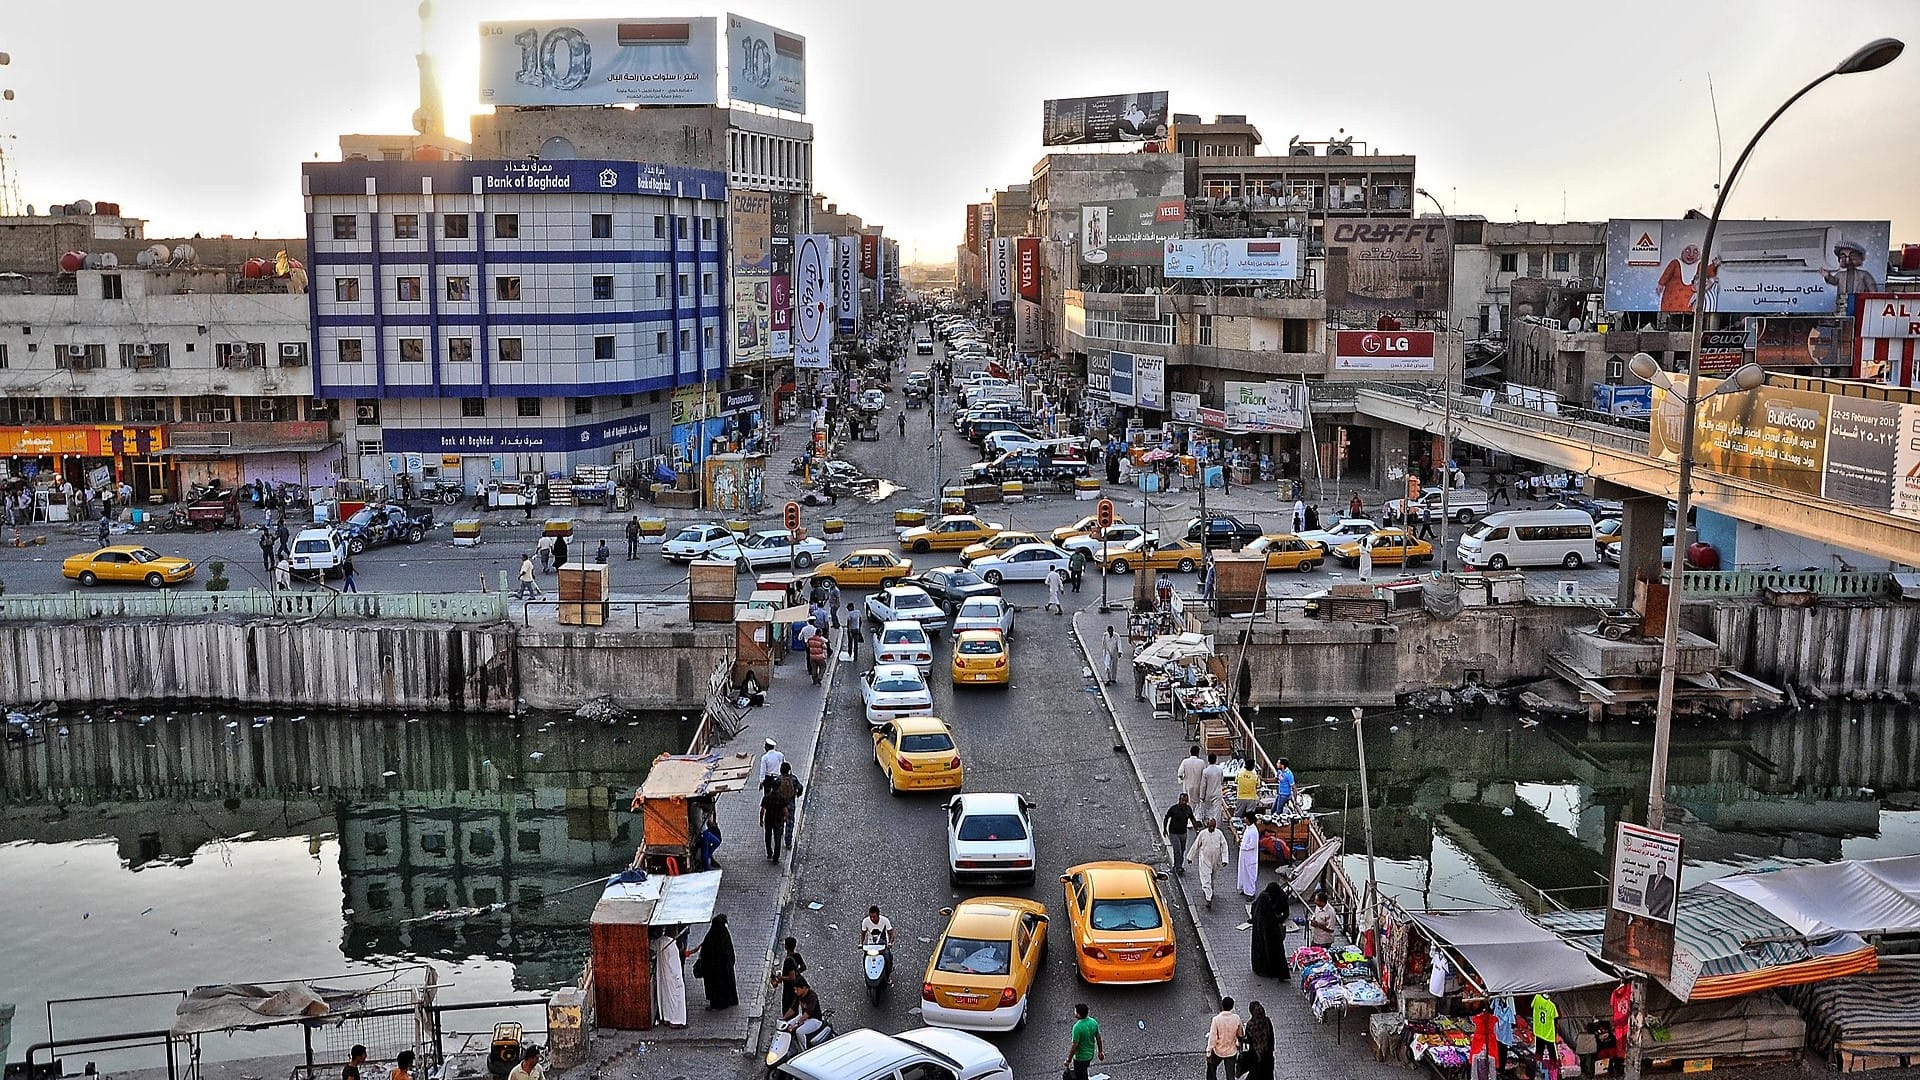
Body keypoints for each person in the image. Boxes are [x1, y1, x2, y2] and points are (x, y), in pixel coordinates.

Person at [690, 913, 739, 1010]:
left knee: (715, 988)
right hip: (725, 969)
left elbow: (705, 954)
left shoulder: (711, 937)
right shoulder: (725, 935)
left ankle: (717, 1005)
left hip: (713, 972)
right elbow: (731, 953)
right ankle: (729, 1001)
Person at [1250, 881, 1291, 979]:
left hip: (1268, 931)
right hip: (1270, 931)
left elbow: (1285, 912)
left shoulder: (1269, 899)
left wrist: (1279, 918)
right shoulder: (1264, 899)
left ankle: (1264, 969)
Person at [1187, 817, 1232, 906]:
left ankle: (1210, 891)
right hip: (1205, 860)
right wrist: (1190, 857)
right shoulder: (1202, 834)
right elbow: (1196, 845)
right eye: (1210, 826)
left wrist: (1225, 859)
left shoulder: (1219, 833)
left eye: (1213, 826)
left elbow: (1224, 846)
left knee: (1212, 877)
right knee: (1206, 878)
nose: (1211, 828)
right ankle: (1208, 898)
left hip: (1216, 860)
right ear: (1207, 825)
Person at [655, 928, 688, 1027]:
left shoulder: (661, 941)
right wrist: (679, 980)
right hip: (673, 977)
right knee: (676, 999)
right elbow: (675, 966)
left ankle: (667, 1018)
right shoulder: (671, 946)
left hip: (664, 975)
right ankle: (676, 1021)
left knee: (666, 998)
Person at [1207, 997, 1244, 1080]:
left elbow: (1213, 1038)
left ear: (1222, 1006)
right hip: (1231, 1051)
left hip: (1218, 1051)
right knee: (1230, 1075)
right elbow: (1240, 1034)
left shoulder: (1216, 1020)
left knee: (1211, 1069)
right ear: (1232, 1007)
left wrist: (1209, 1052)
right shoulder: (1236, 1018)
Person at [1065, 1003, 1104, 1080]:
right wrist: (1100, 1051)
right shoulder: (1093, 1022)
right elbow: (1098, 1038)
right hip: (1090, 1055)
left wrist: (1068, 1060)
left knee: (1080, 1076)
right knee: (1083, 1071)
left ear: (1078, 1015)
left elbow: (1074, 1046)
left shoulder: (1077, 1027)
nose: (1074, 1012)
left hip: (1080, 1058)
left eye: (1075, 1011)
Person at [771, 937, 807, 1016]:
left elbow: (792, 977)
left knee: (787, 1008)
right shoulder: (797, 956)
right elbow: (804, 967)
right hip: (796, 987)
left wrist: (781, 978)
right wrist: (797, 972)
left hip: (789, 989)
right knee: (795, 1007)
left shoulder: (788, 961)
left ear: (786, 947)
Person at [861, 904, 895, 986]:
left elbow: (892, 933)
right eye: (871, 917)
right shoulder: (865, 921)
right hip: (870, 946)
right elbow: (863, 934)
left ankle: (887, 976)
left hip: (883, 946)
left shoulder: (885, 921)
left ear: (878, 915)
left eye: (874, 917)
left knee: (888, 957)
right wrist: (860, 943)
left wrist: (890, 943)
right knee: (865, 960)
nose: (872, 919)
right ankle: (867, 976)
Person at [1164, 793, 1196, 875]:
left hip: (1183, 833)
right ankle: (1177, 867)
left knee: (1182, 850)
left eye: (1185, 801)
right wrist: (1164, 829)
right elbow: (1166, 817)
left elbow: (1192, 818)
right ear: (1179, 800)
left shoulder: (1188, 809)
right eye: (1182, 800)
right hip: (1174, 833)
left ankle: (1179, 865)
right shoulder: (1174, 809)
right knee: (1177, 850)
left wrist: (1197, 830)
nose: (1184, 802)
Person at [1532, 992, 1561, 1080]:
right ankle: (1554, 1074)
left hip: (1539, 1030)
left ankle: (1538, 1070)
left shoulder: (1537, 998)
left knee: (1538, 1052)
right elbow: (1557, 1017)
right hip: (1548, 1034)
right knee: (1553, 1055)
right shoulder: (1552, 1006)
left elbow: (1532, 1006)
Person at [775, 762, 804, 849]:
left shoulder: (778, 780)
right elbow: (801, 787)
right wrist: (798, 795)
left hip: (780, 805)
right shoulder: (793, 779)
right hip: (790, 804)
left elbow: (774, 789)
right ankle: (788, 842)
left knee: (779, 822)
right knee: (790, 822)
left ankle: (779, 838)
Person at [1244, 1001, 1275, 1080]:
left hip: (1255, 1057)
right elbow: (1271, 1037)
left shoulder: (1250, 1025)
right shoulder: (1267, 1021)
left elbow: (1250, 1041)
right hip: (1267, 1056)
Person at [760, 775, 789, 861]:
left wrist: (761, 820)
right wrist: (786, 818)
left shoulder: (767, 796)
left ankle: (769, 853)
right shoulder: (782, 797)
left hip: (768, 819)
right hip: (778, 820)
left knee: (768, 837)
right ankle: (776, 858)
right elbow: (785, 810)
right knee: (777, 839)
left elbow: (762, 810)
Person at [1470, 1005, 1501, 1080]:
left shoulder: (1476, 1018)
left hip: (1481, 1039)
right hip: (1488, 1040)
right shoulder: (1493, 1019)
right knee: (1491, 1065)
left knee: (1476, 1063)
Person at [1237, 810, 1262, 898]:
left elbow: (1252, 845)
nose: (1244, 819)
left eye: (1246, 818)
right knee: (1243, 872)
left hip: (1250, 857)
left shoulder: (1254, 831)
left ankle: (1251, 893)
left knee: (1250, 874)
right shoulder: (1248, 828)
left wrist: (1242, 845)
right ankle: (1244, 888)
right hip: (1244, 856)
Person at [1201, 754, 1225, 819]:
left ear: (1208, 760)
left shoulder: (1205, 771)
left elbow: (1203, 785)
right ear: (1216, 760)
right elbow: (1222, 780)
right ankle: (1216, 825)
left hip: (1208, 793)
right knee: (1217, 811)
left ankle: (1209, 823)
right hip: (1217, 793)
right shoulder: (1219, 770)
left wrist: (1202, 796)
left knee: (1208, 811)